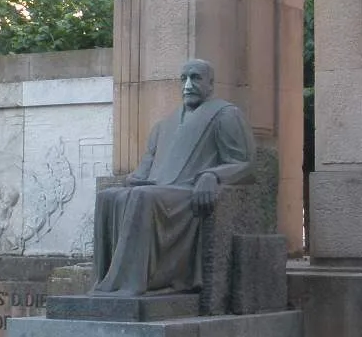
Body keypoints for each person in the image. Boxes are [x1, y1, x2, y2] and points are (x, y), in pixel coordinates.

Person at [93, 59, 254, 295]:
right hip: (159, 189)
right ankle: (107, 283)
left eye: (196, 78)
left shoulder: (225, 115)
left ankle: (134, 284)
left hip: (188, 193)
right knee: (107, 197)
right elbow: (143, 170)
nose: (188, 84)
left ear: (210, 84)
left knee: (142, 197)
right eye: (184, 79)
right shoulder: (163, 126)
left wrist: (213, 175)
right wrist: (133, 179)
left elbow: (244, 164)